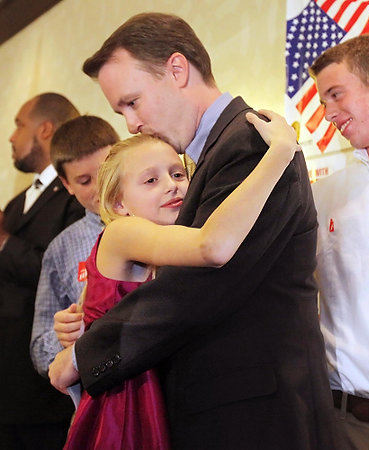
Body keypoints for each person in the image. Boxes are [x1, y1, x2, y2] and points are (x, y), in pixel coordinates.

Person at [49, 13, 340, 449]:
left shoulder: (248, 143)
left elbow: (200, 286)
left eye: (133, 102)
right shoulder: (218, 152)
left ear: (177, 70)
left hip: (256, 416)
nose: (130, 123)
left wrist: (83, 354)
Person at [63, 121, 300, 449]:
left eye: (177, 174)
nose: (171, 186)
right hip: (125, 404)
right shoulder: (123, 232)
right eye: (151, 180)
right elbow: (212, 244)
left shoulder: (163, 248)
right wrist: (279, 154)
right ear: (119, 205)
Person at [0, 93, 84, 449]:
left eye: (20, 124)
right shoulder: (16, 203)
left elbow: (61, 274)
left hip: (45, 391)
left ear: (45, 129)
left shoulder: (75, 194)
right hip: (9, 383)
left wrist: (4, 241)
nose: (11, 136)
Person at [309, 34, 369, 449]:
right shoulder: (321, 197)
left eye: (336, 94)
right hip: (351, 424)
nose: (330, 114)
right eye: (323, 103)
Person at [30, 115, 119, 377]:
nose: (100, 186)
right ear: (67, 184)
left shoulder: (159, 214)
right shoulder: (60, 250)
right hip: (106, 386)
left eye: (106, 170)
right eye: (84, 181)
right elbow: (38, 351)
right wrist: (62, 334)